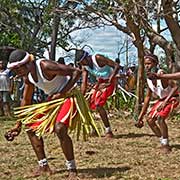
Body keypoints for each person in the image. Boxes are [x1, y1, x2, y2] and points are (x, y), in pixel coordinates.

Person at [4, 49, 97, 179]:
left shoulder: (45, 66)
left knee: (60, 129)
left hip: (69, 97)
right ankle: (44, 166)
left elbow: (76, 72)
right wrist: (18, 124)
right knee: (30, 128)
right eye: (15, 69)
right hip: (54, 100)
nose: (17, 72)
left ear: (27, 63)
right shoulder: (28, 77)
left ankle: (72, 169)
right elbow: (26, 100)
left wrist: (62, 93)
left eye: (18, 68)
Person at [135, 54, 179, 153]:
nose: (146, 66)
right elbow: (147, 97)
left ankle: (166, 144)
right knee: (150, 120)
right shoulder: (149, 79)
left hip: (172, 98)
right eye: (145, 64)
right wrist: (140, 117)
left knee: (160, 118)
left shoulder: (161, 74)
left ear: (155, 64)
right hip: (163, 100)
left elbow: (175, 87)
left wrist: (165, 102)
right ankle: (162, 140)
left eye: (149, 63)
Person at [75, 49, 120, 138]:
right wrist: (81, 97)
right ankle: (93, 129)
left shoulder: (98, 58)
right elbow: (84, 82)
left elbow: (116, 66)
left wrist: (109, 80)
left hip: (110, 80)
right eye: (80, 62)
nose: (82, 64)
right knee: (88, 104)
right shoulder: (84, 66)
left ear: (87, 58)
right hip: (100, 82)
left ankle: (108, 131)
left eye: (82, 61)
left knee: (98, 104)